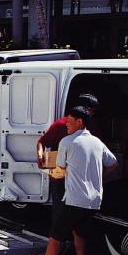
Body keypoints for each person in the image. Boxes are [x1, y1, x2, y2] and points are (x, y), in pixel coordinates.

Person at [25, 106, 118, 255]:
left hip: (75, 199)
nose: (66, 124)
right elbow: (113, 163)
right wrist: (99, 179)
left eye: (69, 121)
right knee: (79, 232)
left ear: (80, 121)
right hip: (94, 201)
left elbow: (61, 169)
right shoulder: (97, 142)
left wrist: (54, 173)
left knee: (55, 237)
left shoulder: (67, 141)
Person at [37, 94, 100, 226]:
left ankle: (71, 240)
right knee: (60, 211)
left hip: (79, 175)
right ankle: (59, 241)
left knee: (77, 213)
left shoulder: (89, 127)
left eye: (93, 111)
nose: (92, 114)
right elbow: (42, 142)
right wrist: (40, 158)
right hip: (60, 176)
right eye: (91, 110)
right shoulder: (62, 124)